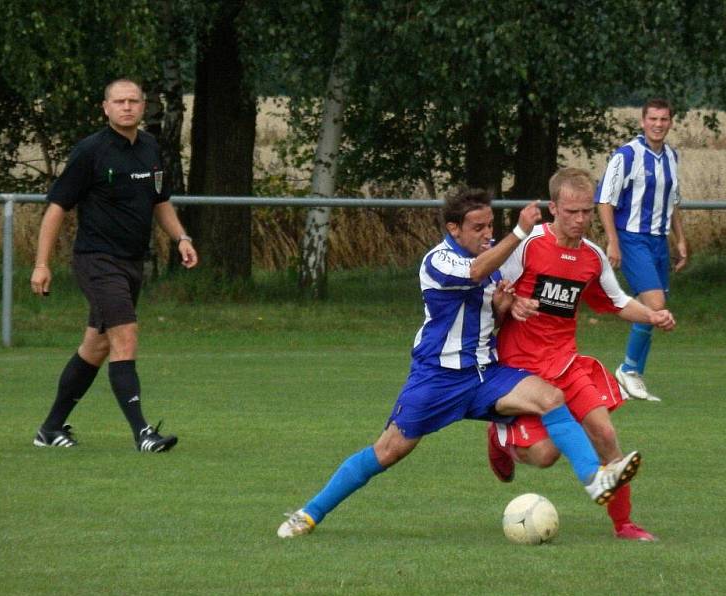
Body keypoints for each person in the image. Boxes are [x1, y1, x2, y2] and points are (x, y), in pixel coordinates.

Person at [277, 187, 641, 539]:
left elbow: (494, 311)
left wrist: (508, 306)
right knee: (386, 452)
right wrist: (519, 232)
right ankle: (310, 513)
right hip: (437, 380)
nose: (487, 234)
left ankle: (595, 480)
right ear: (454, 229)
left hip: (485, 374)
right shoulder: (440, 260)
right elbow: (474, 273)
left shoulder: (494, 266)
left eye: (490, 227)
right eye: (478, 228)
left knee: (551, 398)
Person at [487, 167, 675, 541]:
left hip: (567, 363)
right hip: (521, 370)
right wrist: (512, 303)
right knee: (544, 456)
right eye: (572, 212)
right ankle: (499, 437)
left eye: (587, 211)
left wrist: (651, 314)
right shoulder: (529, 245)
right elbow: (494, 288)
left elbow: (618, 301)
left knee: (604, 433)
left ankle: (624, 524)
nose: (581, 219)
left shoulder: (591, 257)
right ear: (553, 208)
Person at [29, 78, 198, 452]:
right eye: (119, 101)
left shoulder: (151, 147)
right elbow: (57, 208)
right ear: (105, 108)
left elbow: (160, 201)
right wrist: (42, 264)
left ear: (143, 107)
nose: (127, 107)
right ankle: (143, 433)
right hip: (96, 260)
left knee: (96, 346)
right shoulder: (91, 151)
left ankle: (50, 429)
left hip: (131, 263)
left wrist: (181, 238)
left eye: (133, 101)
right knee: (126, 336)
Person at [595, 98, 687, 402]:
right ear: (643, 121)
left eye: (664, 119)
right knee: (656, 304)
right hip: (632, 238)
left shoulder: (671, 156)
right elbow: (605, 200)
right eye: (653, 119)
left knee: (651, 309)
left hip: (659, 241)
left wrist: (680, 239)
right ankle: (628, 370)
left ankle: (631, 376)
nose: (658, 125)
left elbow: (672, 202)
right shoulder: (627, 156)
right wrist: (613, 241)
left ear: (670, 122)